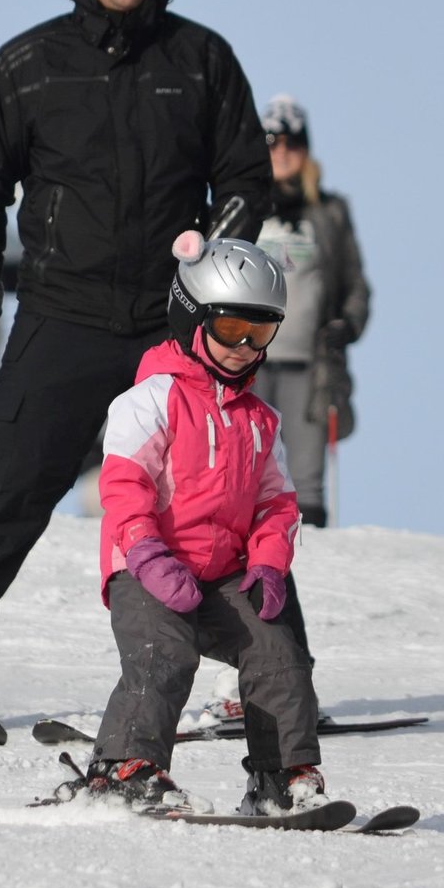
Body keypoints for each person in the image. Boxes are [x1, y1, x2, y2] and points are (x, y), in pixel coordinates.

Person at [0, 0, 273, 729]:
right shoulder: (30, 61)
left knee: (213, 497)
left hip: (172, 323)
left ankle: (245, 676)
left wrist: (216, 254)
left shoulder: (202, 60)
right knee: (6, 487)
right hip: (62, 313)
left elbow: (247, 172)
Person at [49, 231, 329, 815]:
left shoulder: (263, 421)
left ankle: (283, 780)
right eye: (231, 330)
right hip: (148, 567)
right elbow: (125, 487)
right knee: (163, 654)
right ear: (191, 317)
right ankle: (126, 768)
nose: (244, 347)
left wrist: (270, 565)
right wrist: (147, 554)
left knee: (279, 653)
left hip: (225, 574)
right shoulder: (150, 399)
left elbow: (276, 506)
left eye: (261, 332)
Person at [253, 94, 371, 528]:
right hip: (246, 357)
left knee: (305, 478)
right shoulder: (241, 206)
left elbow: (355, 285)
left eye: (293, 143)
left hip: (309, 362)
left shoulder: (328, 213)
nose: (282, 152)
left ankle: (313, 564)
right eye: (271, 142)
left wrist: (347, 325)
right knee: (248, 469)